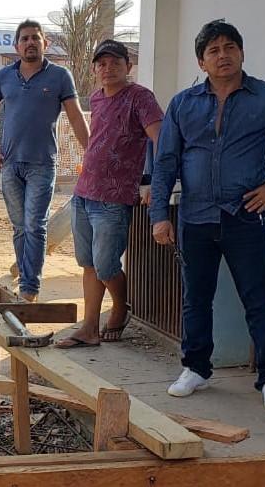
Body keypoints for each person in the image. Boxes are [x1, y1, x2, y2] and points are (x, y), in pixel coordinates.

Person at [149, 21, 265, 411]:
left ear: (241, 53)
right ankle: (196, 368)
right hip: (195, 218)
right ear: (201, 61)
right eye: (213, 50)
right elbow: (166, 163)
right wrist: (160, 214)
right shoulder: (183, 104)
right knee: (196, 299)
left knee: (258, 299)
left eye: (230, 47)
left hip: (244, 216)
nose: (222, 55)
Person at [54, 39, 163, 348]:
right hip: (84, 192)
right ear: (94, 69)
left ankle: (120, 306)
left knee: (106, 265)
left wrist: (155, 181)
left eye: (115, 62)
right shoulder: (97, 98)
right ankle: (89, 327)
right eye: (102, 64)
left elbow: (162, 139)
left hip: (114, 198)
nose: (108, 68)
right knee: (88, 264)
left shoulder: (141, 97)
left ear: (128, 66)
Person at [0, 19, 89, 302]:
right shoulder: (5, 77)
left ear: (45, 44)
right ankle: (25, 275)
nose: (30, 43)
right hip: (10, 164)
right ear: (17, 46)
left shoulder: (60, 76)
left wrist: (91, 151)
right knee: (19, 226)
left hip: (42, 164)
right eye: (25, 39)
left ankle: (29, 289)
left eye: (35, 38)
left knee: (35, 225)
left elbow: (76, 116)